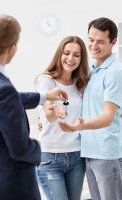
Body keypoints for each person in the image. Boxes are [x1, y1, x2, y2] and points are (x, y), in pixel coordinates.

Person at [0, 14, 68, 200]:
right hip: (12, 189)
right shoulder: (3, 91)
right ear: (12, 49)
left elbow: (2, 100)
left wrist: (44, 96)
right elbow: (20, 149)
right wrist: (39, 145)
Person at [59, 17, 122, 200]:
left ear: (113, 42)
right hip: (90, 151)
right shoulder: (92, 69)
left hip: (107, 154)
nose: (93, 46)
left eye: (100, 41)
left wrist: (79, 127)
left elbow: (107, 117)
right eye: (91, 40)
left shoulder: (115, 72)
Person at [35, 36, 89, 200]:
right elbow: (49, 115)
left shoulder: (80, 83)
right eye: (66, 53)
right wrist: (54, 108)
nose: (71, 58)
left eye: (76, 55)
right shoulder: (46, 80)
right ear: (60, 54)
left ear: (81, 59)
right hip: (50, 158)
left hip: (76, 157)